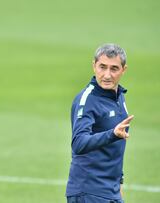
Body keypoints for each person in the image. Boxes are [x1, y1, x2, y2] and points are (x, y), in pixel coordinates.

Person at [66, 43, 134, 203]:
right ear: (94, 66)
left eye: (114, 69)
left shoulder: (118, 96)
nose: (107, 75)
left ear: (123, 70)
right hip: (88, 191)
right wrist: (112, 134)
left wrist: (119, 183)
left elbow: (115, 148)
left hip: (111, 191)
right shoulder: (87, 99)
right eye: (102, 67)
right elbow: (78, 143)